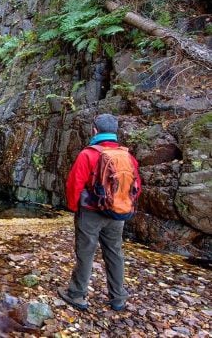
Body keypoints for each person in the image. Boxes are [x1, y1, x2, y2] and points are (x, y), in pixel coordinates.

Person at [58, 113, 141, 311]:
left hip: (90, 212)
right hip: (116, 213)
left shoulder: (88, 154)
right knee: (114, 253)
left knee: (85, 252)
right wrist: (122, 205)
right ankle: (118, 298)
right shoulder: (127, 156)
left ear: (95, 130)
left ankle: (77, 294)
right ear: (115, 132)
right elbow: (136, 186)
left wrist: (73, 208)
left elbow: (74, 185)